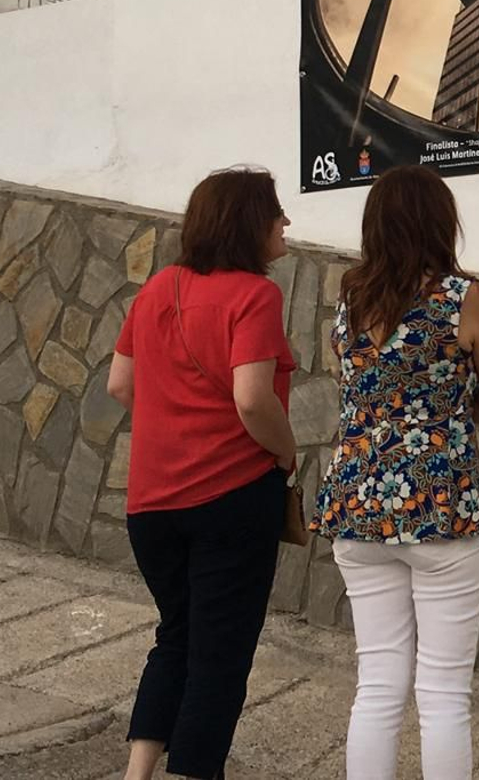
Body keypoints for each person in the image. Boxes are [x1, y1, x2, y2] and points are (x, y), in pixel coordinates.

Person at [312, 164, 479, 780]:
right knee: (444, 694)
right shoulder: (461, 297)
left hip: (358, 507)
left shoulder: (347, 300)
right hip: (442, 508)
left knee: (377, 683)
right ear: (439, 224)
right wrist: (444, 414)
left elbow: (356, 392)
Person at [107, 167, 298, 780]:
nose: (285, 223)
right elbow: (252, 398)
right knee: (219, 656)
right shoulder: (256, 295)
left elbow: (120, 383)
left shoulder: (160, 286)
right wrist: (287, 451)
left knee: (177, 636)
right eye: (275, 213)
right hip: (230, 499)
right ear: (249, 224)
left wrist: (177, 422)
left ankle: (136, 774)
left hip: (151, 503)